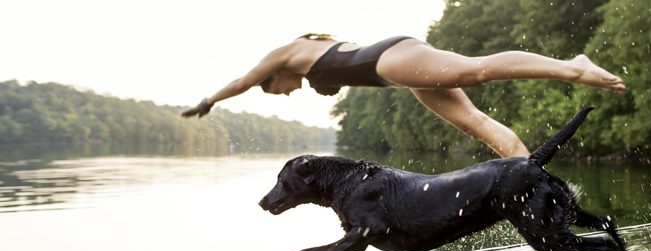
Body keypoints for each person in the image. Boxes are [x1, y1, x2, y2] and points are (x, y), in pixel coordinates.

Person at [181, 33, 625, 157]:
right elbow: (336, 71)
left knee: (476, 71)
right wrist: (323, 83)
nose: (284, 93)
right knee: (476, 123)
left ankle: (572, 68)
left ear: (271, 77)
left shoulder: (282, 54)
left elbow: (242, 81)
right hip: (396, 72)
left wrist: (209, 102)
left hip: (391, 60)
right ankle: (525, 175)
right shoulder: (306, 59)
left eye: (276, 92)